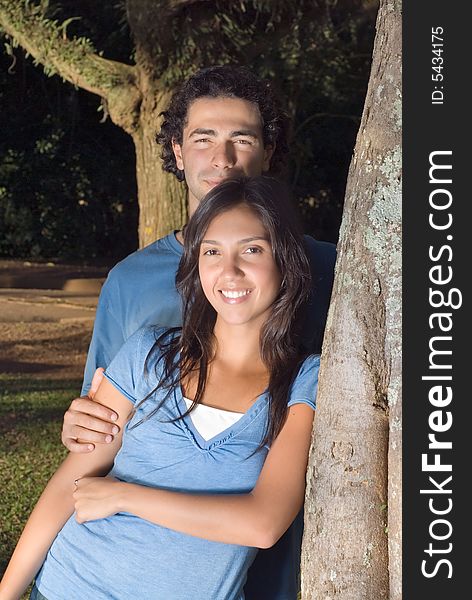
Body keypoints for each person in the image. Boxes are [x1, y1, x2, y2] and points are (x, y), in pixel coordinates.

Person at [60, 65, 337, 599]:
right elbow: (97, 420)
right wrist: (78, 426)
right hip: (124, 562)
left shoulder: (331, 271)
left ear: (269, 151)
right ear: (177, 150)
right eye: (203, 139)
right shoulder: (130, 280)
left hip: (269, 558)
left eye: (242, 139)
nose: (223, 159)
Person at [0, 176, 320, 600]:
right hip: (70, 585)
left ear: (285, 259)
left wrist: (124, 497)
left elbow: (261, 524)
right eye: (212, 251)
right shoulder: (150, 352)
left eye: (252, 249)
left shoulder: (305, 380)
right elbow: (68, 484)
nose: (230, 271)